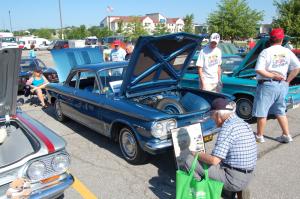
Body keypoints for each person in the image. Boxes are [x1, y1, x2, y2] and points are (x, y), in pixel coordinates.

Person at [185, 98, 257, 197]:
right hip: (248, 175)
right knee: (208, 158)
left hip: (234, 179)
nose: (213, 120)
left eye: (212, 116)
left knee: (189, 160)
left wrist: (195, 153)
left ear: (218, 115)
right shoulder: (242, 122)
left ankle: (200, 193)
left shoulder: (228, 128)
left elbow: (214, 160)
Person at [253, 28, 300, 143]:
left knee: (262, 111)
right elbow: (297, 68)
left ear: (270, 39)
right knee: (280, 111)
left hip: (267, 85)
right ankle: (286, 134)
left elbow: (259, 70)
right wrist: (287, 81)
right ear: (282, 38)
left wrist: (273, 76)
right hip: (281, 85)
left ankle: (259, 136)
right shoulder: (287, 51)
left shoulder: (266, 52)